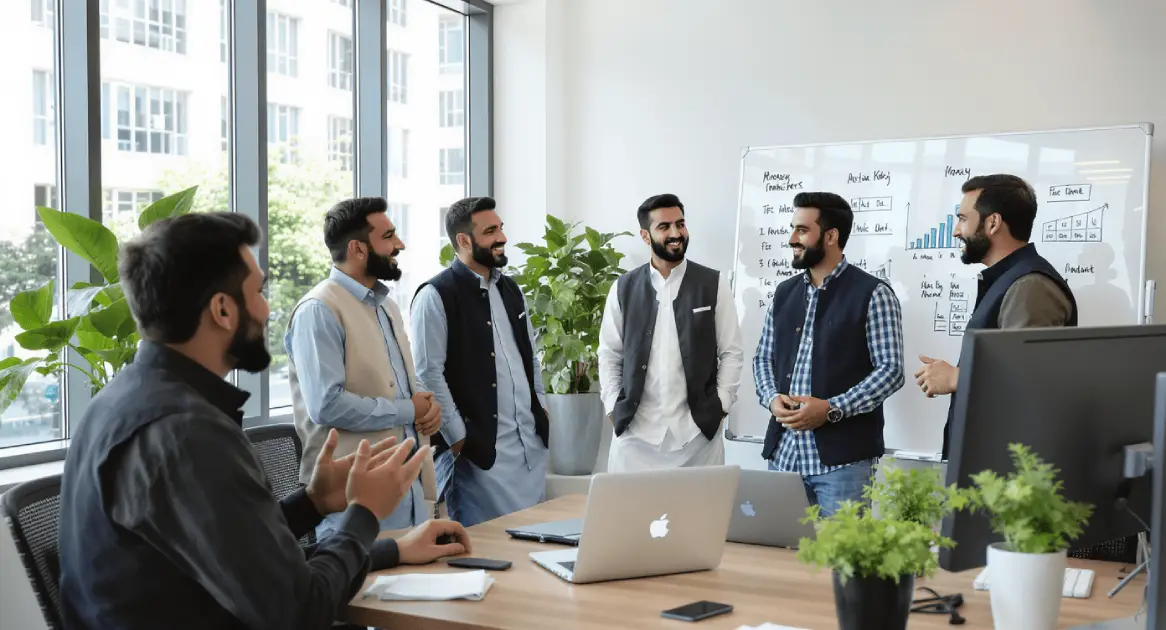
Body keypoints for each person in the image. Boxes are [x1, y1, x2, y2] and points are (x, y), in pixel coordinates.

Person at [58, 212, 471, 630]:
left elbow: (249, 562)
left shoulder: (123, 401)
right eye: (258, 291)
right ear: (223, 310)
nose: (266, 309)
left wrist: (318, 506)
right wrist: (364, 512)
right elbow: (298, 610)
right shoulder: (187, 431)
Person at [287, 197, 442, 537]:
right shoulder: (319, 310)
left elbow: (398, 381)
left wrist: (428, 406)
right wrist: (408, 409)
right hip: (350, 506)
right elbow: (326, 405)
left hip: (407, 495)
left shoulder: (386, 307)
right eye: (388, 236)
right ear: (358, 249)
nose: (399, 244)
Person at [753, 192, 905, 517]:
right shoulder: (784, 293)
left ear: (831, 236)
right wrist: (771, 398)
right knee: (779, 550)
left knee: (843, 551)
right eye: (793, 228)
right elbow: (763, 358)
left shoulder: (874, 294)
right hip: (784, 456)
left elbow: (890, 371)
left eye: (802, 230)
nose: (792, 239)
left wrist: (832, 409)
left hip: (843, 464)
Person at [914, 174, 1077, 458]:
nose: (956, 231)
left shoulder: (1030, 286)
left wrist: (956, 377)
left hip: (1009, 470)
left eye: (963, 219)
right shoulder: (1010, 280)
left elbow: (1028, 379)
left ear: (993, 223)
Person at [411, 196, 549, 527]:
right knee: (487, 550)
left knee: (534, 547)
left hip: (529, 451)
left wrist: (542, 409)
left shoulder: (511, 290)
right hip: (478, 459)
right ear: (463, 240)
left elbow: (530, 358)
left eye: (500, 228)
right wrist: (459, 438)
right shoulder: (435, 295)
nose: (502, 237)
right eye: (490, 231)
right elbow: (429, 374)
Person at [598, 193, 744, 473]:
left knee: (701, 504)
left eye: (680, 224)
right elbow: (609, 354)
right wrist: (612, 406)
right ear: (645, 236)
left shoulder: (714, 284)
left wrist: (722, 405)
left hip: (697, 438)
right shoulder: (623, 288)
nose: (676, 233)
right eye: (664, 227)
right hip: (634, 438)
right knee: (629, 504)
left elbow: (731, 352)